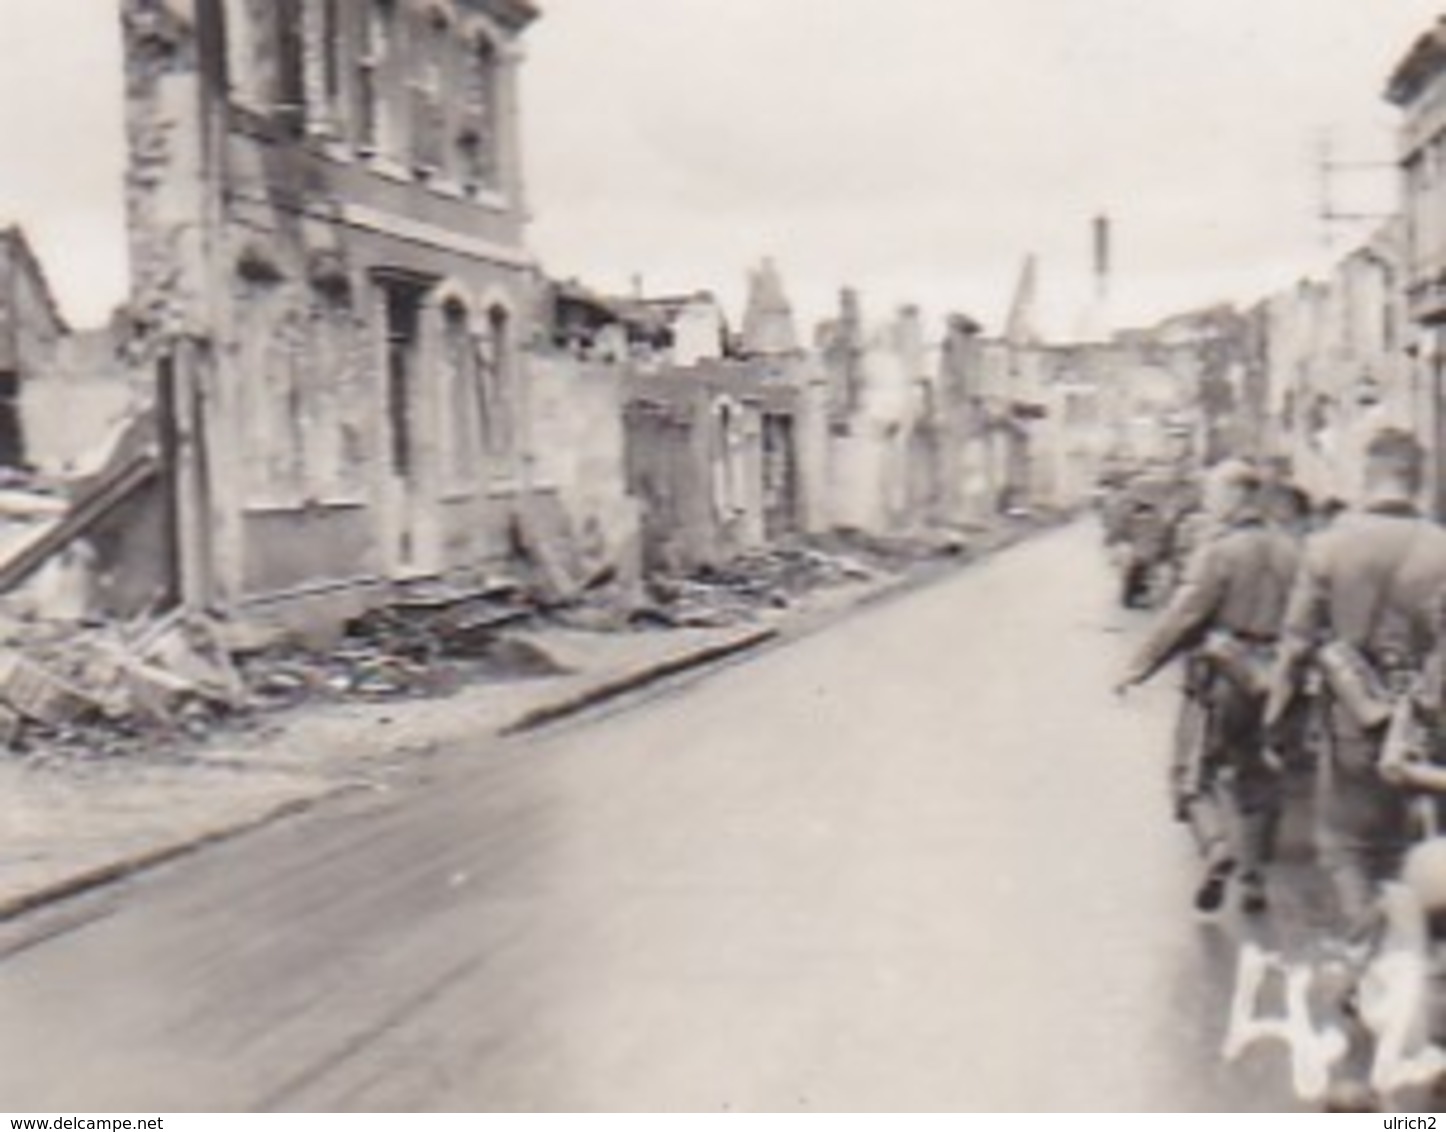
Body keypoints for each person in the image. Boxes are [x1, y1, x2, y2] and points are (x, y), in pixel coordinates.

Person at [1266, 428, 1446, 944]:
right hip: (1434, 730)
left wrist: (1277, 720)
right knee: (1424, 850)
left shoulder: (1326, 547)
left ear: (1369, 476)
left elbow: (1296, 644)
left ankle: (1369, 962)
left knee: (1346, 847)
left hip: (1354, 725)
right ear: (1419, 480)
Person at [1118, 459, 1299, 913]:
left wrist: (1138, 667)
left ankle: (1217, 849)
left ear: (1237, 497)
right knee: (1260, 774)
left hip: (1224, 678)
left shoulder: (1219, 551)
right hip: (1276, 679)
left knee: (1191, 774)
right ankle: (1255, 880)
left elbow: (1185, 615)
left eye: (1216, 494)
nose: (1209, 502)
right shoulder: (1292, 550)